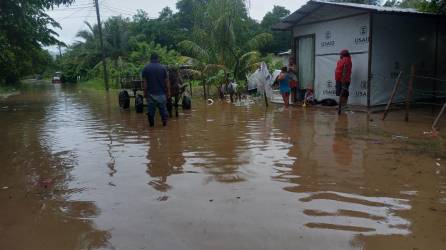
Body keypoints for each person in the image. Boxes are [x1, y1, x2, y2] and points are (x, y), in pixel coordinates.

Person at [142, 53, 171, 127]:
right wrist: (168, 93)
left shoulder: (145, 68)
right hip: (161, 95)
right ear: (158, 59)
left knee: (151, 113)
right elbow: (167, 82)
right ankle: (164, 125)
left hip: (151, 95)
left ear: (150, 59)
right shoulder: (163, 68)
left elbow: (145, 84)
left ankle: (151, 126)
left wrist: (145, 94)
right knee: (163, 111)